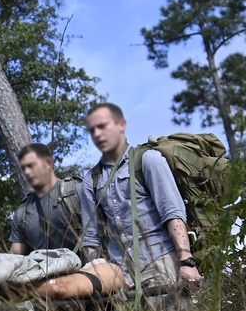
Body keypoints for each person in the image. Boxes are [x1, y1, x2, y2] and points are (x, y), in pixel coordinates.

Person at [80, 102, 203, 293]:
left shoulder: (148, 160)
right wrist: (96, 269)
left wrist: (186, 261)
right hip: (121, 276)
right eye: (92, 130)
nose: (97, 134)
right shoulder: (91, 180)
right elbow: (90, 238)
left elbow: (173, 213)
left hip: (161, 262)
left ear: (121, 125)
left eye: (103, 126)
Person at [9, 143, 82, 255]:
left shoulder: (75, 192)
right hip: (42, 272)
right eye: (23, 168)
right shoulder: (22, 213)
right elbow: (14, 257)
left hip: (86, 270)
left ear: (48, 163)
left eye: (31, 165)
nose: (27, 172)